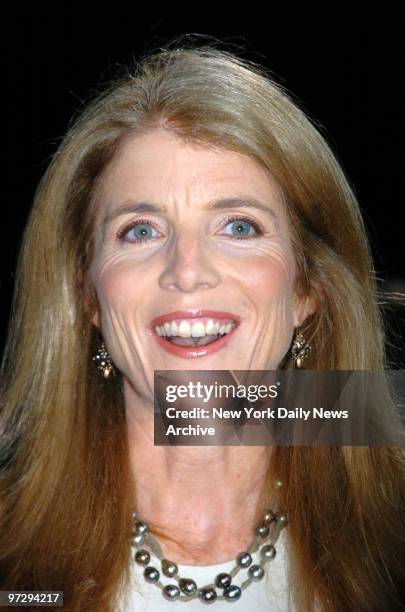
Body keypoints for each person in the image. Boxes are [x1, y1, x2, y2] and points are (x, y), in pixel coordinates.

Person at [0, 39, 404, 611]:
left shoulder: (390, 542)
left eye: (238, 227)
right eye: (140, 230)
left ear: (307, 288)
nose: (187, 273)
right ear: (87, 295)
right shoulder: (11, 560)